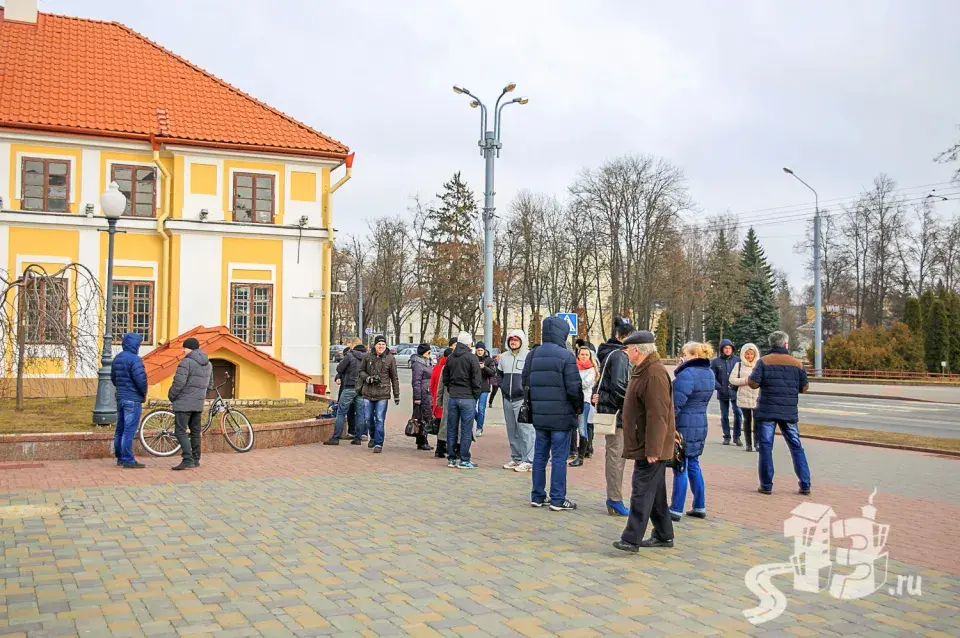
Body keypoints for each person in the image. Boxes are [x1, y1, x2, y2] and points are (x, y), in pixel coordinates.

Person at [613, 330, 676, 552]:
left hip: (650, 446)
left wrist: (654, 449)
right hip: (646, 443)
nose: (626, 353)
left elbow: (658, 415)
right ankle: (663, 534)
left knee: (641, 490)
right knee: (655, 491)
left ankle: (631, 539)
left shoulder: (654, 373)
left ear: (637, 350)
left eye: (628, 349)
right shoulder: (644, 370)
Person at [524, 316, 583, 511]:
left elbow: (525, 383)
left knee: (540, 455)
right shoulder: (566, 356)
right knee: (559, 457)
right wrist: (578, 408)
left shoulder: (533, 355)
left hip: (540, 414)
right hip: (561, 415)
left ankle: (537, 495)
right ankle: (558, 498)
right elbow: (574, 387)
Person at [748, 331, 811, 495]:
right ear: (786, 344)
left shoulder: (763, 362)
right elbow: (804, 387)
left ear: (771, 344)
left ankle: (766, 485)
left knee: (766, 448)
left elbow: (753, 383)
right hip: (789, 411)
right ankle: (805, 483)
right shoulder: (797, 363)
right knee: (796, 446)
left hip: (767, 411)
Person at [592, 315, 635, 517]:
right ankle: (615, 499)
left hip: (614, 411)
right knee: (616, 457)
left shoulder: (612, 353)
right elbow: (619, 386)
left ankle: (615, 498)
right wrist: (632, 404)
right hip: (617, 414)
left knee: (616, 455)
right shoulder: (619, 356)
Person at [670, 341, 715, 522]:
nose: (682, 357)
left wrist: (669, 425)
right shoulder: (709, 373)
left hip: (684, 424)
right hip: (700, 422)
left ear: (694, 355)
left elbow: (675, 403)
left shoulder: (687, 374)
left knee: (680, 465)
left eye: (685, 354)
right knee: (694, 463)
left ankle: (676, 508)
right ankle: (699, 505)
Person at [169, 337, 212, 471]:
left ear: (189, 348)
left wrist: (171, 395)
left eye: (184, 348)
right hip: (198, 404)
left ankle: (187, 459)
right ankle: (195, 459)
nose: (183, 350)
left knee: (180, 431)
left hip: (184, 403)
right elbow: (210, 385)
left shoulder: (186, 362)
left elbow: (178, 383)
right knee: (195, 431)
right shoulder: (208, 363)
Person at [442, 332, 482, 468]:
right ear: (468, 343)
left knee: (451, 428)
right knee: (466, 429)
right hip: (467, 398)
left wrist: (452, 389)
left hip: (453, 398)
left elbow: (445, 378)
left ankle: (451, 458)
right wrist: (475, 396)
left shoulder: (450, 358)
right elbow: (477, 380)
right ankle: (464, 459)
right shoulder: (472, 358)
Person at [497, 330, 534, 472]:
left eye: (516, 340)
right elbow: (499, 374)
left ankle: (529, 460)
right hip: (508, 399)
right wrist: (502, 387)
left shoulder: (528, 356)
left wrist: (526, 391)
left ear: (521, 341)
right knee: (512, 430)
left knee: (525, 430)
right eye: (511, 340)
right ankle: (516, 457)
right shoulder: (504, 357)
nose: (513, 342)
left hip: (522, 399)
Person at [356, 335, 400, 453]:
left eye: (383, 344)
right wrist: (368, 378)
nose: (381, 346)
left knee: (380, 419)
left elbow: (394, 378)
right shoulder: (367, 356)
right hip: (368, 392)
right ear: (374, 345)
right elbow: (361, 371)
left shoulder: (390, 358)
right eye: (379, 344)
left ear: (386, 346)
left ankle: (379, 443)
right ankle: (373, 437)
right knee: (368, 418)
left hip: (382, 393)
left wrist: (397, 395)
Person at [110, 332, 148, 469]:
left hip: (121, 397)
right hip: (132, 398)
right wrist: (143, 394)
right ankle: (127, 459)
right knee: (129, 430)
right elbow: (141, 380)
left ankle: (120, 457)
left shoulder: (118, 358)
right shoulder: (135, 360)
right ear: (134, 345)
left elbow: (113, 377)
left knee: (119, 429)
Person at [325, 338, 364, 446]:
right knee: (360, 414)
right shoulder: (367, 357)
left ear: (352, 345)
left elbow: (339, 369)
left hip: (349, 387)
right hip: (361, 389)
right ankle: (358, 438)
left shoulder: (350, 355)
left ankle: (335, 437)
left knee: (341, 412)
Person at [729, 343, 761, 452]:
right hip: (744, 396)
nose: (749, 356)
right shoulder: (738, 365)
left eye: (751, 354)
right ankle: (748, 444)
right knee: (747, 420)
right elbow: (732, 379)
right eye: (747, 354)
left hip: (757, 396)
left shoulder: (759, 364)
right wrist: (745, 381)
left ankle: (757, 443)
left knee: (757, 421)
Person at [569, 346, 597, 468]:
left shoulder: (591, 369)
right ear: (578, 355)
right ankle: (571, 451)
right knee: (570, 427)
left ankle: (581, 457)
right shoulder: (573, 366)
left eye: (586, 354)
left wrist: (573, 381)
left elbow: (585, 384)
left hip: (584, 402)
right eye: (582, 354)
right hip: (571, 401)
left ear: (590, 356)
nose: (584, 356)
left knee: (582, 428)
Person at [711, 338, 743, 446]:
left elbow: (742, 374)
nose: (728, 350)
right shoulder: (716, 362)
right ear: (722, 349)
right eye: (726, 348)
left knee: (738, 414)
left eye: (729, 348)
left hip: (736, 392)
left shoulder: (738, 361)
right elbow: (712, 376)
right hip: (723, 392)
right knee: (724, 415)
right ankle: (727, 436)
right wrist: (719, 387)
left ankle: (737, 436)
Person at [410, 343, 434, 451]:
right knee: (422, 417)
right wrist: (417, 398)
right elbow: (416, 382)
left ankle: (422, 440)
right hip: (422, 394)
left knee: (425, 416)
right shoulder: (418, 364)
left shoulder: (427, 362)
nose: (430, 354)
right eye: (429, 352)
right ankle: (422, 440)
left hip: (427, 393)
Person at [430, 347, 452, 459]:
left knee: (440, 426)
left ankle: (440, 449)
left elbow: (432, 385)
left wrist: (434, 401)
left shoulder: (437, 367)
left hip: (437, 402)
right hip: (445, 402)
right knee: (446, 426)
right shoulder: (447, 368)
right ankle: (444, 448)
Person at [474, 341, 497, 437]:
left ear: (484, 350)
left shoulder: (489, 360)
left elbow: (492, 372)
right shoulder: (472, 358)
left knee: (481, 408)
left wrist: (484, 368)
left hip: (484, 387)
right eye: (478, 350)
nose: (479, 352)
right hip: (474, 387)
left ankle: (479, 428)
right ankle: (479, 420)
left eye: (481, 350)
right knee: (471, 408)